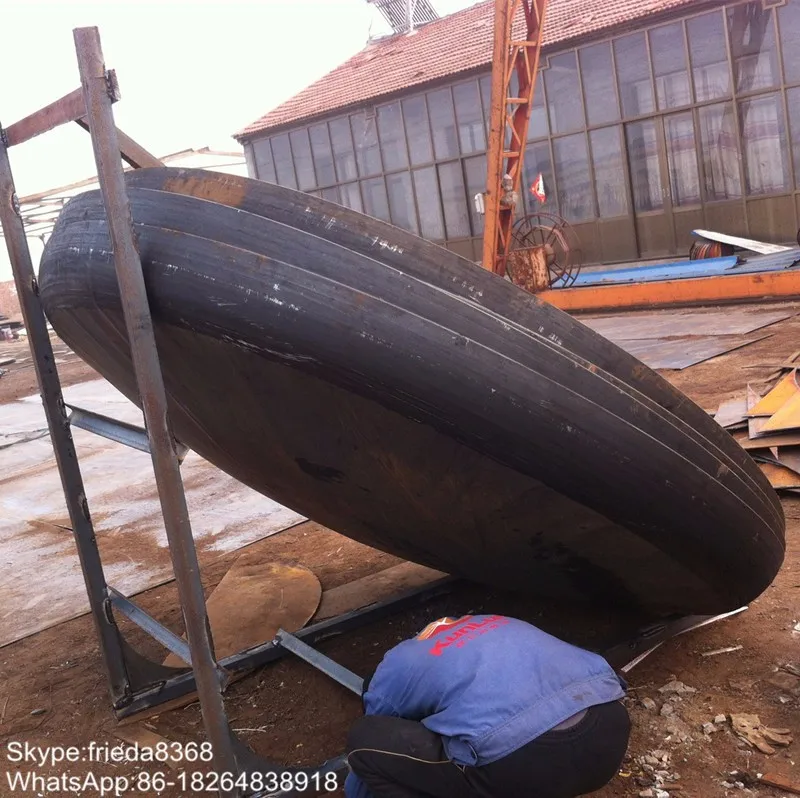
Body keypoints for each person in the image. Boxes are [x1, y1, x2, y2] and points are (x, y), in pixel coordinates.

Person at [344, 614, 629, 798]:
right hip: (608, 737)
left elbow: (373, 742)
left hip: (522, 766)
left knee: (363, 738)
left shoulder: (396, 664)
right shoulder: (495, 622)